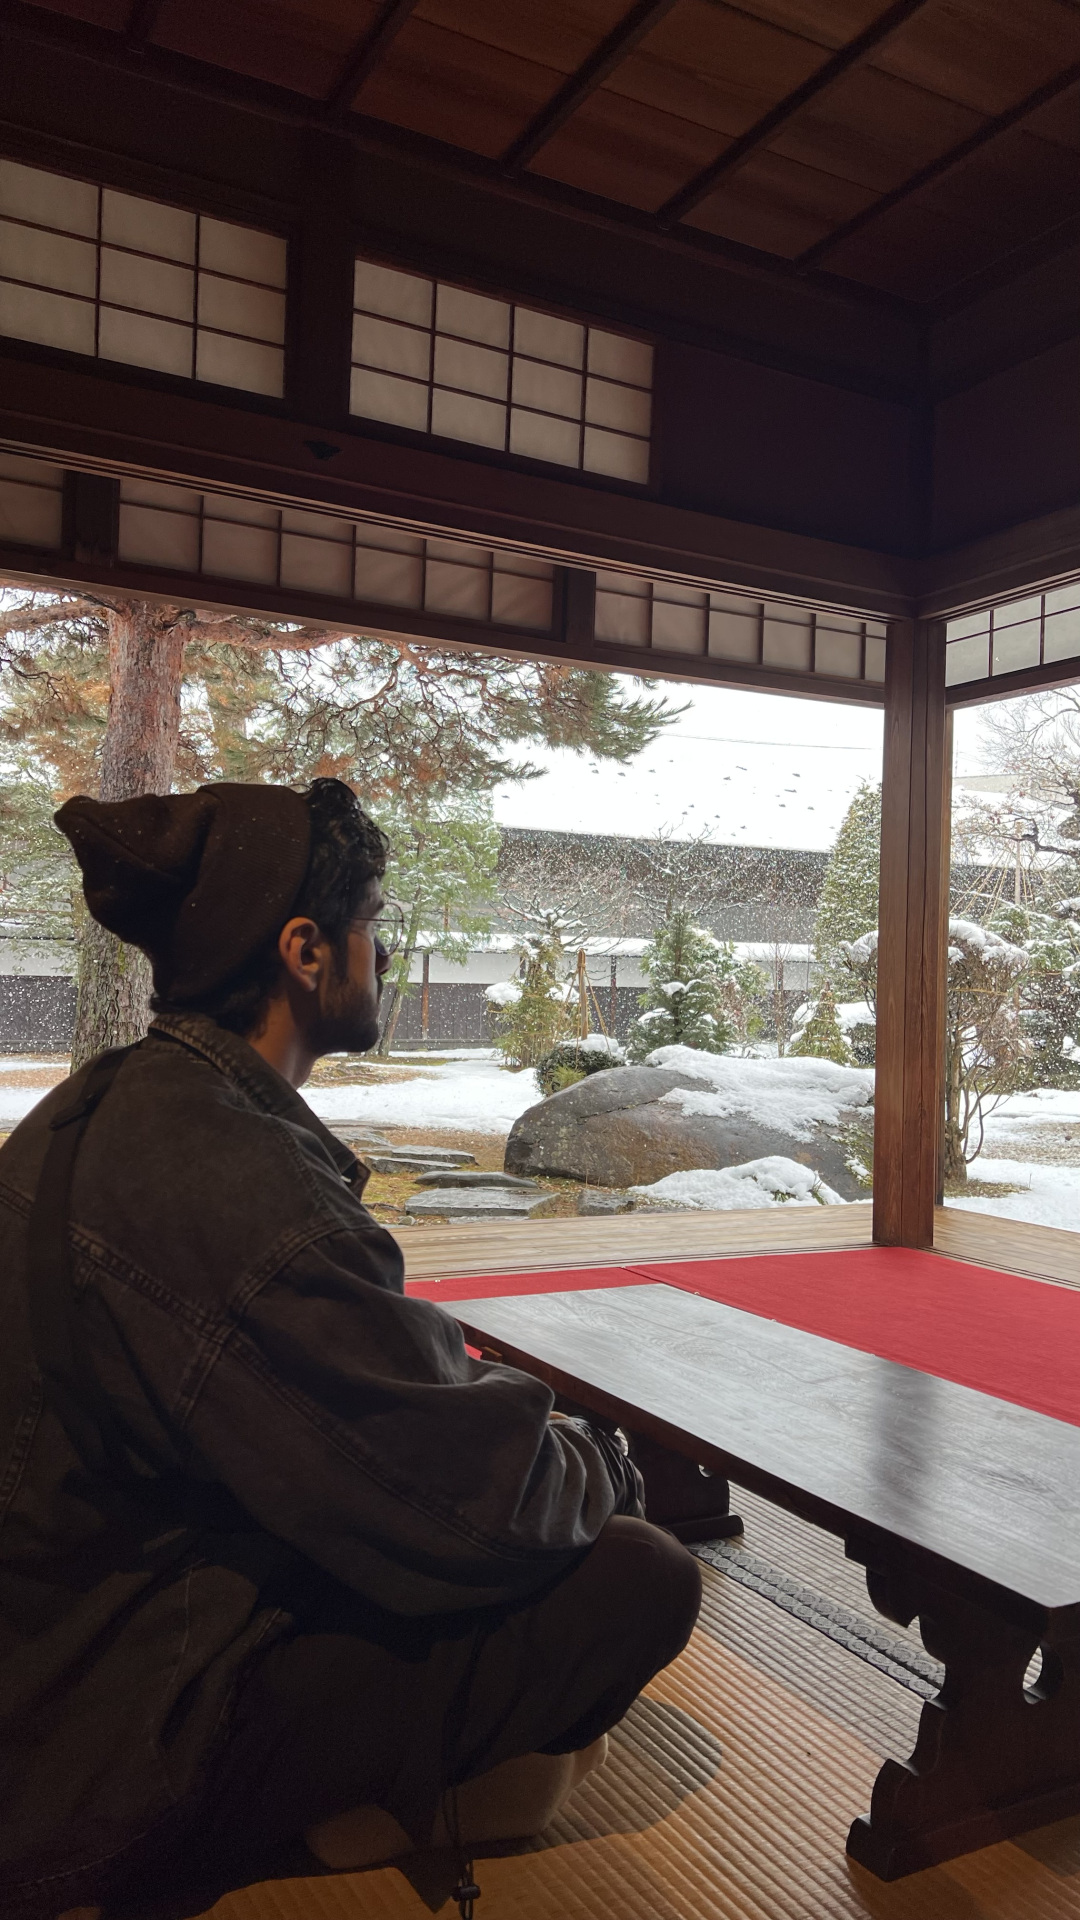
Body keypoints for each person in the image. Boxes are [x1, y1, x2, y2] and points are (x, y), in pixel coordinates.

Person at [0, 777, 701, 1920]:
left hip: (67, 1637)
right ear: (306, 951)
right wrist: (603, 1462)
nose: (385, 948)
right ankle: (323, 1815)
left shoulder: (100, 1105)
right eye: (373, 922)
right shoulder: (237, 1184)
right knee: (639, 1578)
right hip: (106, 1730)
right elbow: (476, 1500)